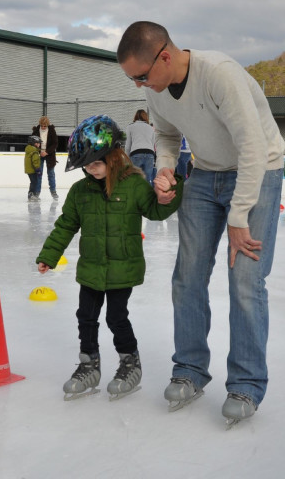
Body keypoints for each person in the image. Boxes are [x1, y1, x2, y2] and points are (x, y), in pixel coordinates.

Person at [117, 21, 284, 426]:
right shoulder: (156, 92)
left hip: (259, 171)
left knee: (245, 279)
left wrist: (239, 216)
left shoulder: (219, 74)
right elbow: (169, 137)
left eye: (142, 75)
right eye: (133, 79)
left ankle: (246, 382)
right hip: (207, 174)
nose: (141, 85)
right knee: (187, 277)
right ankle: (190, 370)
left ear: (166, 56)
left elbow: (253, 148)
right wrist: (166, 170)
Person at [35, 115, 183, 401]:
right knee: (86, 317)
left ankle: (130, 363)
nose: (91, 170)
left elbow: (156, 211)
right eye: (86, 165)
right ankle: (88, 364)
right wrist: (49, 255)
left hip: (121, 269)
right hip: (91, 268)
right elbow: (66, 224)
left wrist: (169, 193)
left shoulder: (134, 185)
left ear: (114, 156)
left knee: (117, 317)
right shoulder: (81, 191)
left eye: (97, 163)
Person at [124, 109, 156, 185]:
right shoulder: (151, 128)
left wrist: (126, 158)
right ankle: (148, 196)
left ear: (135, 117)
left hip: (136, 153)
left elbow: (128, 144)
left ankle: (134, 196)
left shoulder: (130, 127)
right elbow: (153, 143)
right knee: (148, 179)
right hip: (149, 154)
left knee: (134, 178)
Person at [34, 116, 59, 199]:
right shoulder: (36, 131)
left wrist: (46, 152)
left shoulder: (51, 130)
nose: (43, 127)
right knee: (38, 174)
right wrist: (38, 150)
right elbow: (32, 142)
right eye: (42, 126)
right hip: (39, 154)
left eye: (45, 126)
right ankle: (37, 192)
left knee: (51, 174)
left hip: (50, 155)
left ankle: (53, 191)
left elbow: (55, 143)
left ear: (47, 125)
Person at [24, 135, 42, 202]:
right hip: (33, 169)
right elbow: (35, 161)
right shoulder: (34, 151)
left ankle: (32, 194)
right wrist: (38, 169)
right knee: (34, 182)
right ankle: (31, 195)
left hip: (29, 169)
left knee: (33, 182)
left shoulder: (29, 149)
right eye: (37, 143)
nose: (39, 144)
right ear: (33, 143)